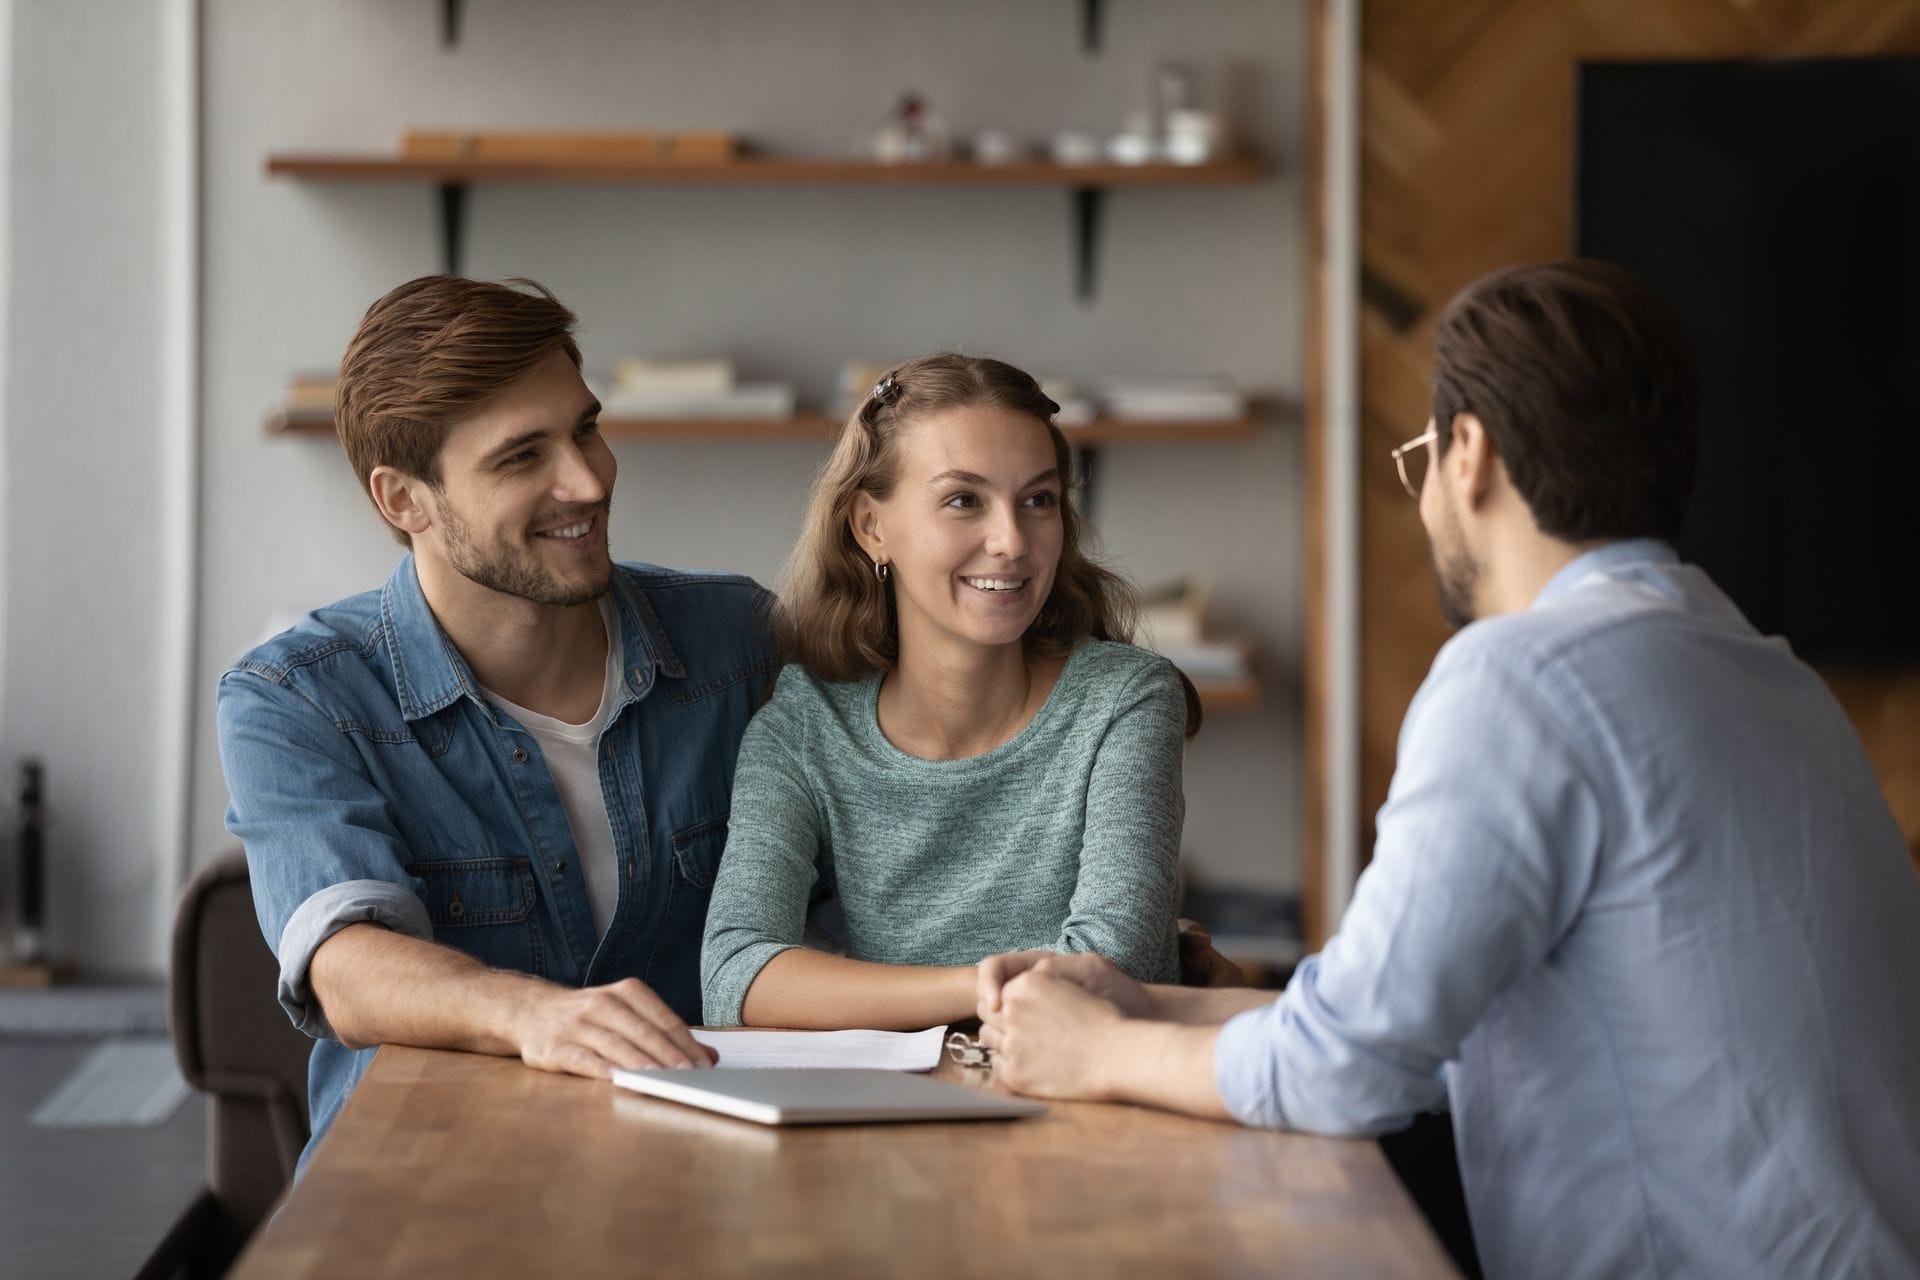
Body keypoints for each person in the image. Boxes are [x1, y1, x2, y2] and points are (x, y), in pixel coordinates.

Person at [975, 260, 1920, 1277]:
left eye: (1421, 456)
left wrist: (1099, 1053)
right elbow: (1423, 1020)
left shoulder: (1522, 676)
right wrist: (1140, 1000)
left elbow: (1347, 1068)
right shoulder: (1777, 682)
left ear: (1468, 453)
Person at [219, 276, 767, 1165]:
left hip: (697, 1166)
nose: (587, 481)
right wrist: (531, 1014)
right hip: (426, 1180)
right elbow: (346, 964)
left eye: (585, 428)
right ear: (404, 501)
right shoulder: (294, 696)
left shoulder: (740, 645)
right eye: (522, 457)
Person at [699, 354, 1199, 1030]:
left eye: (1038, 500)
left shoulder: (1124, 701)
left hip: (1091, 1110)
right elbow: (735, 977)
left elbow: (1115, 967)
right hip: (892, 1109)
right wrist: (982, 986)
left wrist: (862, 991)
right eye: (964, 500)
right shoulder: (805, 727)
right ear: (871, 527)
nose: (1011, 540)